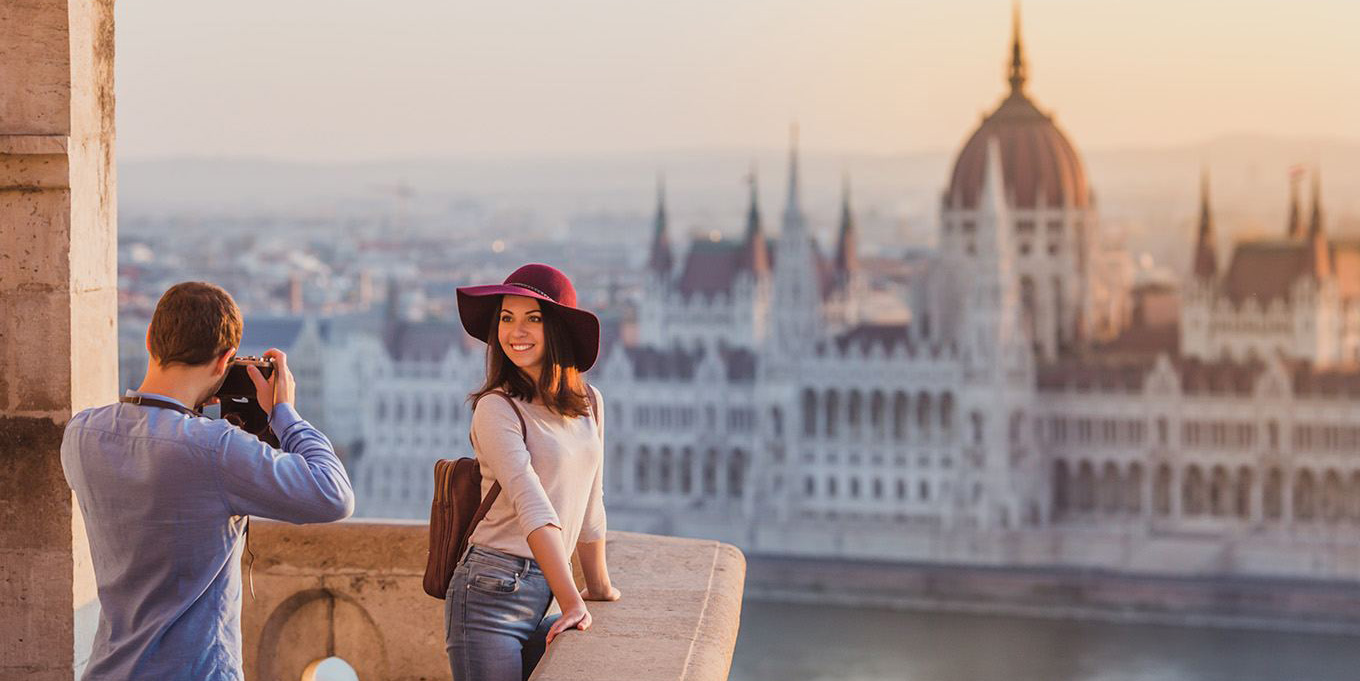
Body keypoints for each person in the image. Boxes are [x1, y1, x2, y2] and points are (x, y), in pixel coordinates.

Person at [61, 282, 355, 680]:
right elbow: (333, 495)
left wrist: (186, 412)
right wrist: (285, 414)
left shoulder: (82, 434)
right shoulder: (214, 450)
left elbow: (153, 466)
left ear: (151, 340)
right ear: (226, 362)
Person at [447, 263, 621, 681]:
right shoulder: (496, 408)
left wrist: (597, 587)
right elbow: (533, 504)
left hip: (543, 587)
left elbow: (590, 501)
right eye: (506, 318)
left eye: (533, 319)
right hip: (488, 593)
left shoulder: (591, 402)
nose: (515, 332)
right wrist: (572, 600)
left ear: (557, 328)